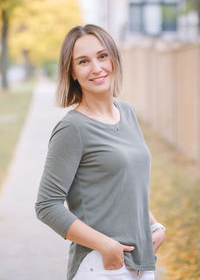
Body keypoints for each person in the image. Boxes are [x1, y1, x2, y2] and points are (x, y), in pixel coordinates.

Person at [35, 24, 165, 280]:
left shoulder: (127, 113)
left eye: (102, 56)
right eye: (83, 61)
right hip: (102, 267)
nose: (97, 68)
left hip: (142, 263)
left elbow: (127, 188)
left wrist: (154, 225)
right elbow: (47, 205)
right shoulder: (72, 128)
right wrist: (105, 245)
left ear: (113, 59)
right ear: (71, 72)